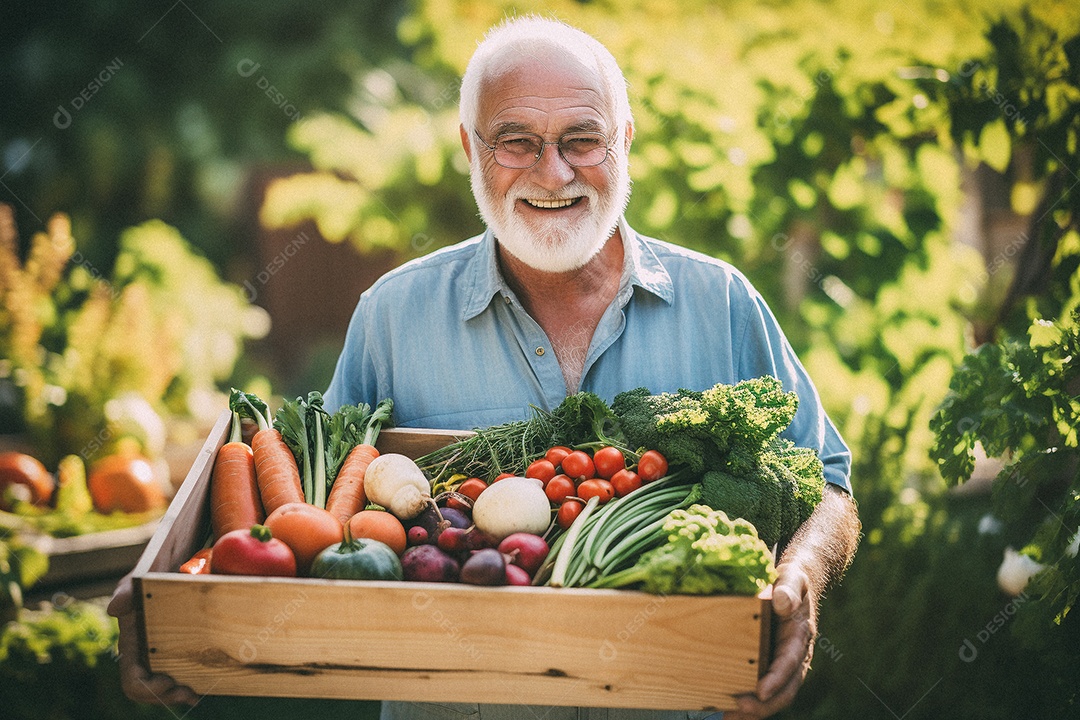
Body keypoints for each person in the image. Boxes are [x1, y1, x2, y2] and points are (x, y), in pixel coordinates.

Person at [109, 15, 860, 720]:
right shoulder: (393, 315)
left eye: (582, 139)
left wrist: (803, 582)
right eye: (516, 141)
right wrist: (186, 604)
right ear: (470, 149)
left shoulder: (721, 302)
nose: (555, 172)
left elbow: (827, 481)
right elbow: (306, 519)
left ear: (625, 141)